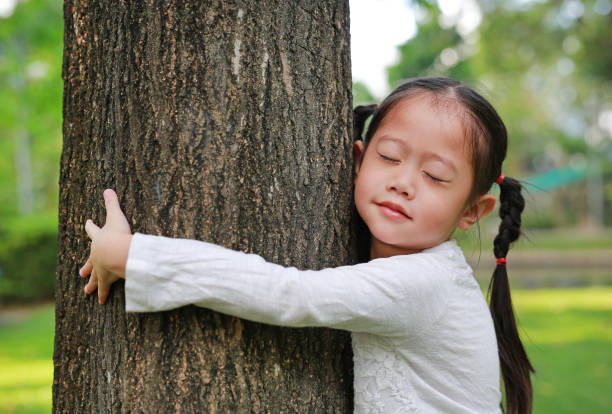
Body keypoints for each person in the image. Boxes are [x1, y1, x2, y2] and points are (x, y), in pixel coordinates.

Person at [79, 77, 534, 414]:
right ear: (358, 159)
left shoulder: (423, 282)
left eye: (435, 177)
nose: (403, 183)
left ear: (473, 211)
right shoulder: (416, 268)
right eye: (390, 157)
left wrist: (132, 254)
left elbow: (290, 295)